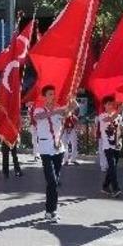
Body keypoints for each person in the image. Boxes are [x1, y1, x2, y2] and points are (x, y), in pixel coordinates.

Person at [34, 85, 78, 221]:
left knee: (55, 181)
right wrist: (55, 111)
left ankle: (50, 211)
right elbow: (38, 117)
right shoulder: (39, 109)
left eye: (54, 94)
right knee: (52, 181)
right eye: (50, 94)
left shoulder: (59, 108)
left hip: (58, 149)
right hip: (46, 149)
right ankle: (51, 210)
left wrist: (73, 103)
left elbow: (70, 111)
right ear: (44, 96)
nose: (52, 96)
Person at [100, 96, 123, 197]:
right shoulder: (102, 116)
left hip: (117, 145)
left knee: (113, 167)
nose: (110, 106)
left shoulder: (118, 116)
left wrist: (122, 127)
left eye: (112, 104)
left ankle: (105, 186)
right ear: (104, 106)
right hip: (107, 145)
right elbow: (110, 118)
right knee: (112, 165)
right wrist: (119, 110)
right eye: (108, 104)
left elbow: (121, 128)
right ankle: (116, 188)